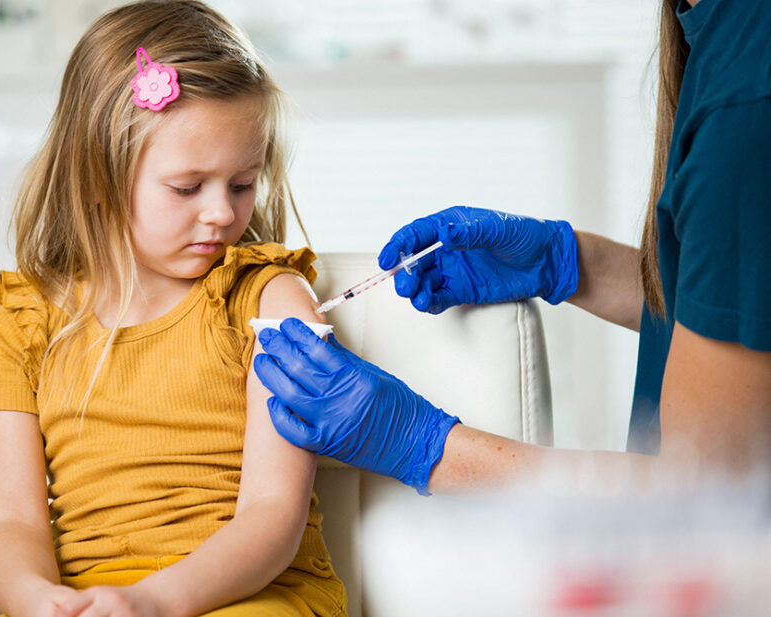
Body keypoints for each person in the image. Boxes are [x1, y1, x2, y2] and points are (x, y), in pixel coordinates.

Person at [254, 0, 771, 495]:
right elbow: (735, 296)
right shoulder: (720, 33)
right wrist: (568, 262)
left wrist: (422, 444)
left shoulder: (745, 106)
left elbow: (708, 500)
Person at [0, 2, 347, 616]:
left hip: (252, 592)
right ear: (97, 179)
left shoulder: (269, 299)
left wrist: (152, 603)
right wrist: (37, 600)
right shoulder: (18, 333)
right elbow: (11, 524)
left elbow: (272, 520)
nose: (222, 212)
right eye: (188, 187)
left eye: (242, 184)